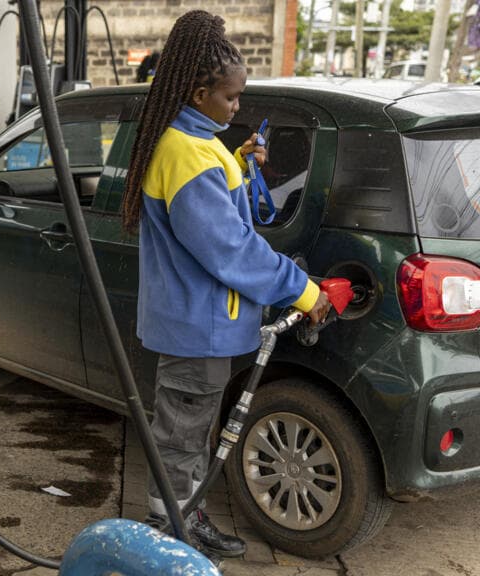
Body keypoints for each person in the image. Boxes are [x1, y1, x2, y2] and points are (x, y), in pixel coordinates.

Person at [120, 10, 331, 563]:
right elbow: (229, 249)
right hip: (198, 327)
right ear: (198, 92)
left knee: (190, 436)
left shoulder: (199, 143)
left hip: (204, 324)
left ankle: (183, 519)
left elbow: (218, 211)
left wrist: (239, 164)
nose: (238, 108)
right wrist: (303, 291)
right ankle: (171, 542)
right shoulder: (187, 152)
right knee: (181, 440)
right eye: (231, 98)